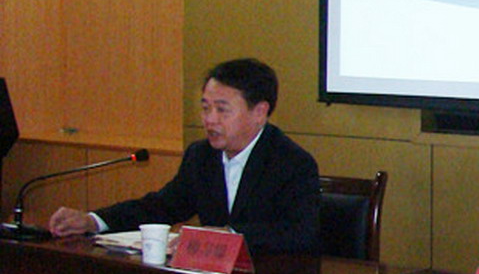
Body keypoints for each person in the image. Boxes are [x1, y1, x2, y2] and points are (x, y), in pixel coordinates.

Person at [49, 58, 321, 255]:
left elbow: (299, 233)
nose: (209, 120)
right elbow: (162, 206)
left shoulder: (292, 163)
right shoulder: (201, 156)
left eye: (222, 110)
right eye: (205, 108)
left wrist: (229, 235)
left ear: (259, 112)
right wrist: (93, 220)